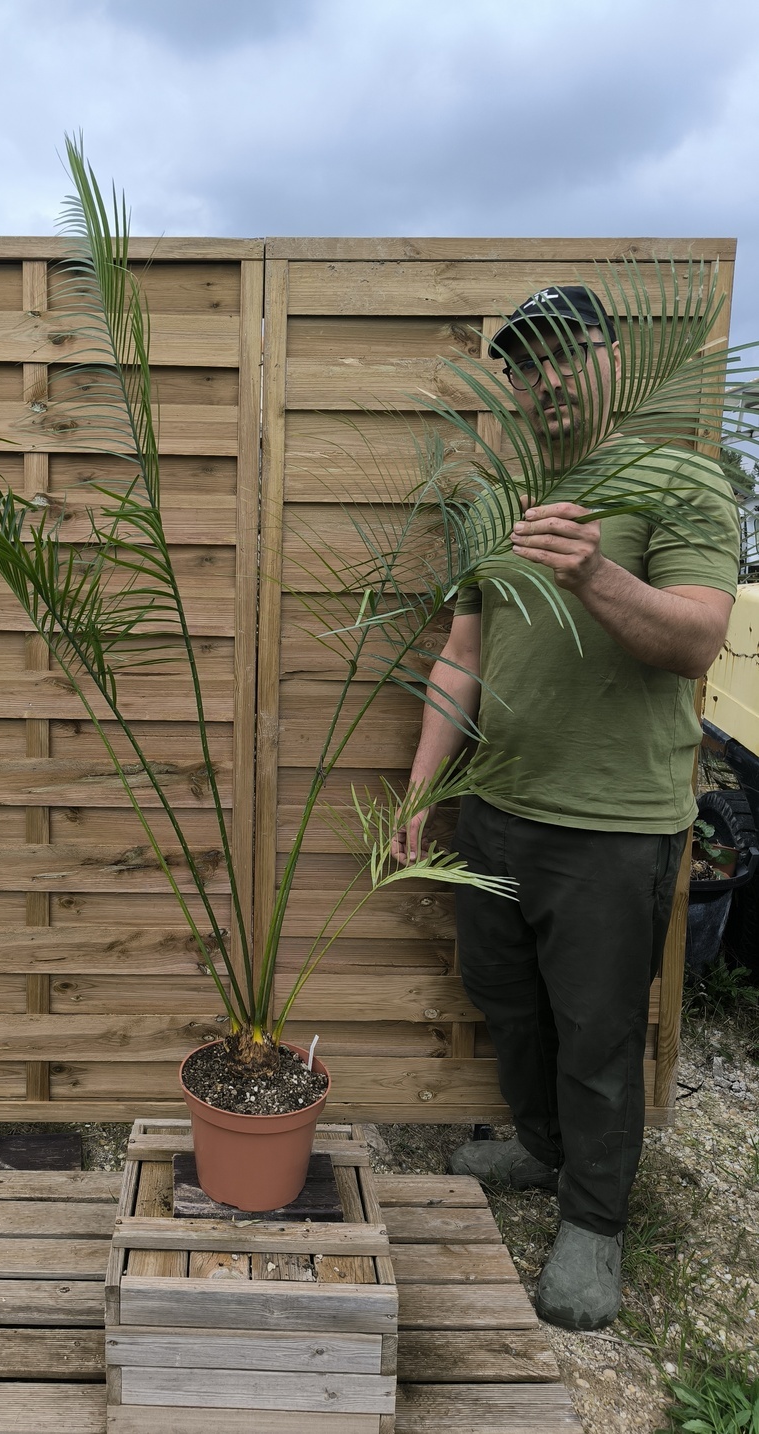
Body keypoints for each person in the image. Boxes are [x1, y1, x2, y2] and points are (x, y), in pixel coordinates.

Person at [392, 285, 740, 1331]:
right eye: (522, 360)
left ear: (609, 357)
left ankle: (594, 1222)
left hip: (615, 822)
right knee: (509, 1002)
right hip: (495, 804)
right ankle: (541, 1149)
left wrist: (592, 572)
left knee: (595, 1032)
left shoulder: (677, 480)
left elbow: (695, 641)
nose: (542, 377)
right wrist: (422, 792)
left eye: (561, 352)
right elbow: (463, 654)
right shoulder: (488, 499)